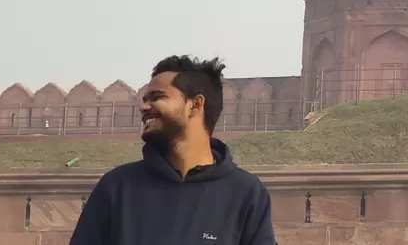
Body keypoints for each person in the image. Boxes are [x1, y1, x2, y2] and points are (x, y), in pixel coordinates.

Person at [70, 55, 275, 245]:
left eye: (157, 97)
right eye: (144, 99)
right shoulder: (117, 187)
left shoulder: (245, 194)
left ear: (195, 105)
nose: (143, 107)